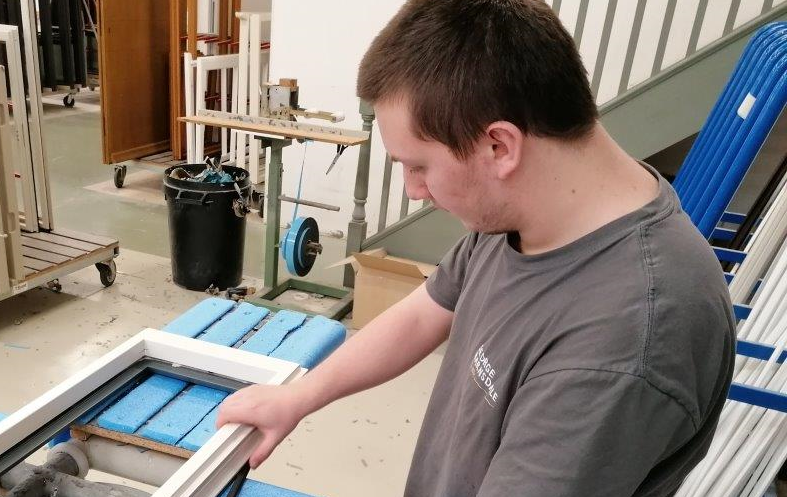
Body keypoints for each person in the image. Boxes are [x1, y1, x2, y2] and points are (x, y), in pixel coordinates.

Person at [216, 0, 737, 495]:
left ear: (499, 146)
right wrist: (299, 398)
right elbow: (425, 312)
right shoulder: (527, 217)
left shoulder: (627, 340)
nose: (413, 190)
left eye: (417, 166)